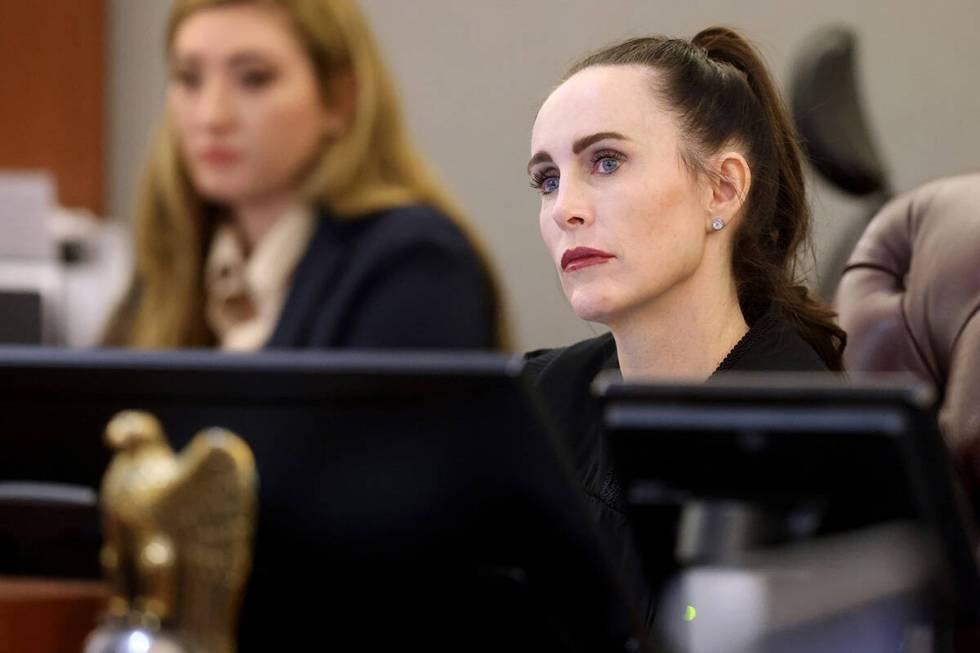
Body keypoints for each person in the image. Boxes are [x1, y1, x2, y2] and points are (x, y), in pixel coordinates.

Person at [523, 27, 847, 620]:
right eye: (547, 179)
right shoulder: (535, 403)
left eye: (606, 161)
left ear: (722, 189)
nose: (565, 208)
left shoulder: (817, 450)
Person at [103, 0, 507, 351]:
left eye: (253, 78)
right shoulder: (173, 258)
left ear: (340, 99)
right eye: (189, 79)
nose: (212, 116)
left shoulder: (415, 262)